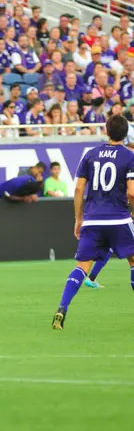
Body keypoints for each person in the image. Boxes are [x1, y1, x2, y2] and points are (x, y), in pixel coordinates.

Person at [52, 115, 134, 330]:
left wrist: (79, 218)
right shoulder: (129, 156)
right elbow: (132, 193)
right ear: (125, 134)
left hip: (92, 219)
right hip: (118, 218)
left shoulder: (91, 154)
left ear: (106, 131)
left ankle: (62, 307)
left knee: (81, 267)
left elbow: (79, 189)